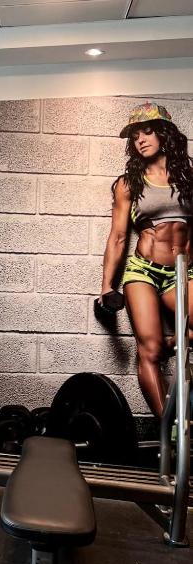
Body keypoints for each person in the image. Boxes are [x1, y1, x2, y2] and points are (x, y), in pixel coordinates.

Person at [101, 102, 193, 418]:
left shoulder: (189, 178)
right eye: (135, 136)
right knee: (149, 351)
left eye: (147, 131)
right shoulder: (129, 184)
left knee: (160, 343)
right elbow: (118, 237)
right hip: (143, 272)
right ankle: (170, 428)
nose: (140, 139)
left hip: (183, 272)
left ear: (164, 133)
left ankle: (171, 342)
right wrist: (106, 287)